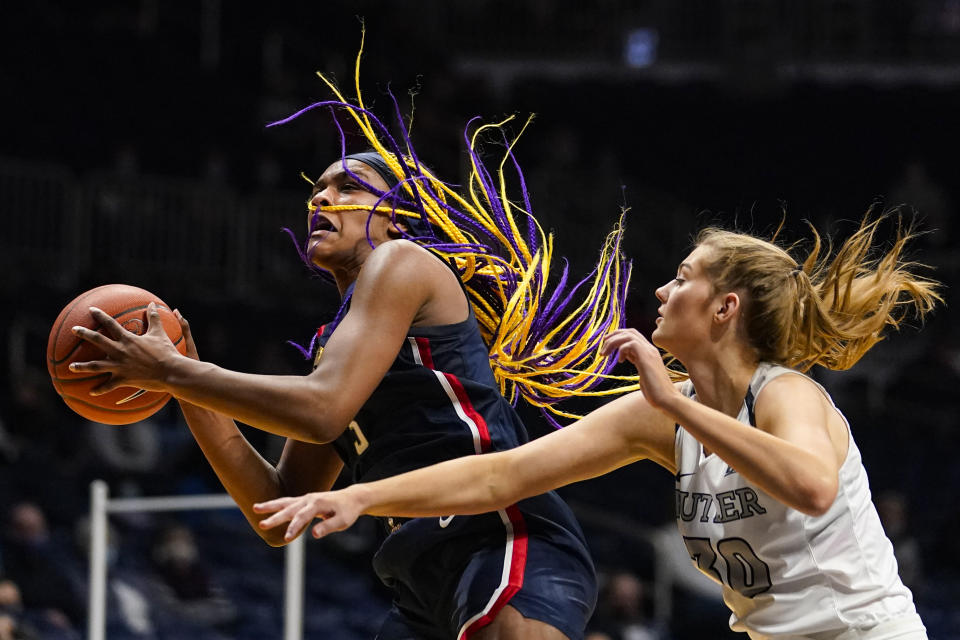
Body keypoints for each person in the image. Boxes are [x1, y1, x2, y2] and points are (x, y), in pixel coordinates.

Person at [68, 41, 633, 640]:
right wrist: (187, 380)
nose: (320, 198)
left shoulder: (403, 262)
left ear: (395, 217)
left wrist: (173, 374)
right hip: (420, 576)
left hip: (499, 537)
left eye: (346, 188)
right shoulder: (334, 346)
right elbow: (277, 511)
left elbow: (321, 409)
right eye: (317, 189)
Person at [254, 214, 941, 639]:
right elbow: (503, 473)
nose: (664, 292)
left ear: (726, 307)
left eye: (683, 278)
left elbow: (814, 488)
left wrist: (676, 407)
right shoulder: (660, 412)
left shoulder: (786, 395)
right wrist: (363, 497)